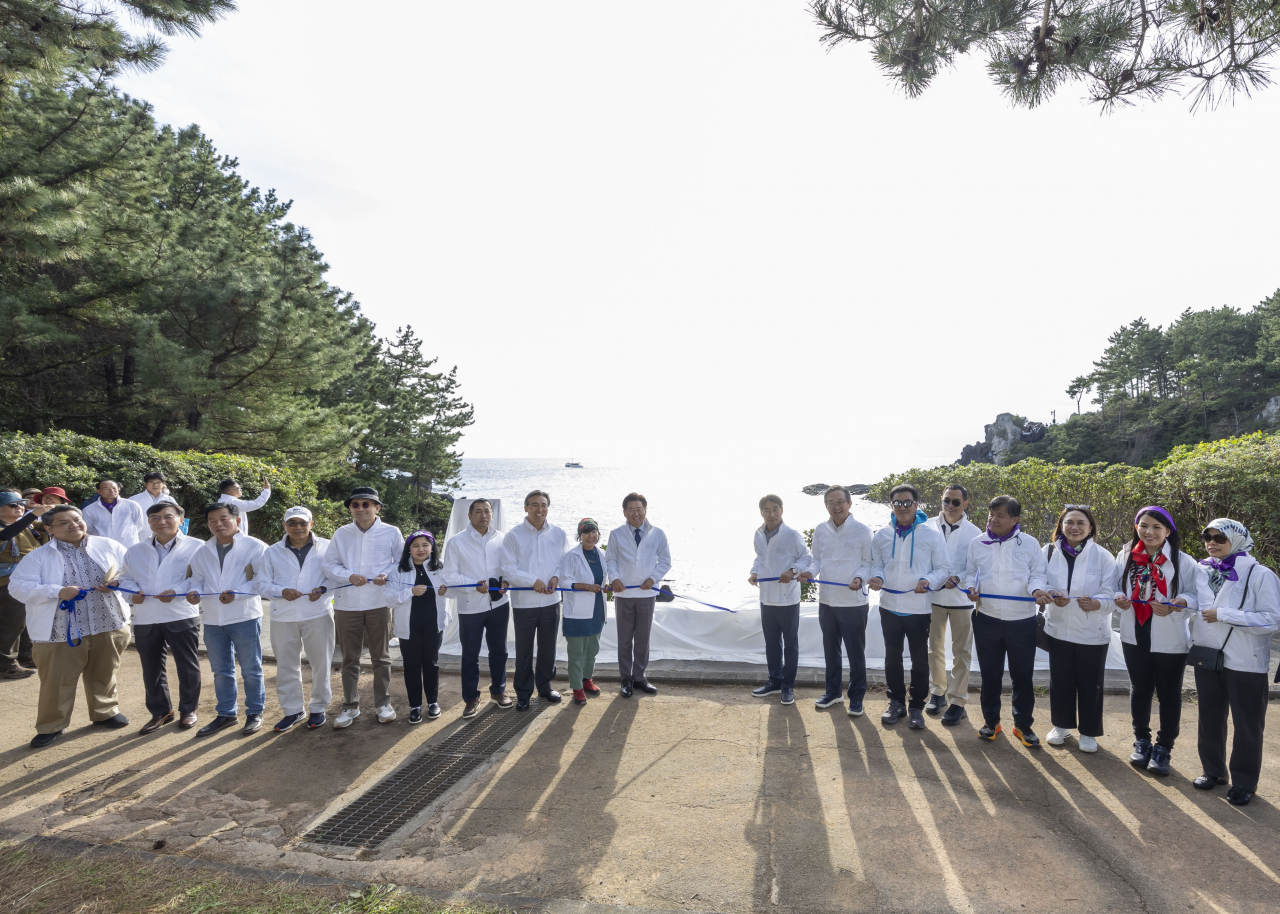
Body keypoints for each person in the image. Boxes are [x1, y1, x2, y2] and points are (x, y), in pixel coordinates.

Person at [8, 505, 132, 749]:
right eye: (64, 522)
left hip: (107, 621)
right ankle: (51, 725)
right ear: (49, 529)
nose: (73, 525)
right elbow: (17, 587)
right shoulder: (38, 556)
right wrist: (57, 592)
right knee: (57, 680)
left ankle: (104, 711)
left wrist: (118, 582)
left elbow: (130, 571)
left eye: (77, 519)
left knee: (105, 672)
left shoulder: (107, 544)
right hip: (61, 629)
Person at [1113, 506, 1209, 776]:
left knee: (1169, 694)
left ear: (1168, 531)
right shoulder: (1126, 556)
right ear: (1137, 528)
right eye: (1144, 526)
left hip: (1169, 635)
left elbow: (1196, 594)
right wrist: (1118, 598)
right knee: (1140, 689)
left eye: (1157, 527)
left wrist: (1180, 603)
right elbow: (1111, 585)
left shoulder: (1183, 561)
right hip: (1135, 633)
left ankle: (1164, 746)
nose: (1149, 532)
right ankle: (1141, 740)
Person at [1190, 519, 1280, 806]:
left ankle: (1244, 782)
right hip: (1208, 654)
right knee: (1210, 717)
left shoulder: (1259, 574)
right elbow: (1193, 603)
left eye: (1219, 537)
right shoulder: (1201, 569)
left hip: (1245, 660)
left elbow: (1272, 619)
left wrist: (1226, 614)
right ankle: (1213, 771)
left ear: (1238, 539)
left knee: (1247, 724)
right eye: (1207, 536)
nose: (1212, 542)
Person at [963, 495, 1051, 747]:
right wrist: (970, 587)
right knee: (990, 674)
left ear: (1015, 519)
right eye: (991, 514)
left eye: (1000, 515)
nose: (993, 519)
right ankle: (991, 722)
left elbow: (1038, 575)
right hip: (986, 619)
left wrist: (1037, 592)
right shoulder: (977, 542)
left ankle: (1023, 725)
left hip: (1022, 621)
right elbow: (970, 573)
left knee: (1022, 675)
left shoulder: (1030, 543)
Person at [868, 484, 952, 728]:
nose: (902, 507)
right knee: (892, 658)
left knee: (919, 660)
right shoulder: (882, 535)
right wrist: (878, 578)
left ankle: (916, 706)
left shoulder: (931, 534)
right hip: (889, 606)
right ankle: (895, 703)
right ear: (891, 506)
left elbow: (943, 569)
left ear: (917, 505)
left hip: (919, 608)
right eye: (897, 503)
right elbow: (876, 565)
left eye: (907, 503)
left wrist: (929, 580)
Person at [321, 487, 403, 728]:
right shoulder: (341, 533)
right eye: (355, 505)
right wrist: (349, 576)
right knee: (349, 658)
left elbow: (399, 562)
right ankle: (350, 706)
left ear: (377, 508)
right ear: (350, 509)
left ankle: (383, 703)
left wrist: (385, 574)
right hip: (346, 605)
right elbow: (329, 565)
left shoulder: (391, 532)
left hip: (379, 602)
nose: (360, 509)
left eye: (366, 504)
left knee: (381, 657)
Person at [118, 502, 204, 733]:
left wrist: (177, 592)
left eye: (168, 517)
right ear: (149, 522)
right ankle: (160, 711)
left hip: (180, 613)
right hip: (146, 615)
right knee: (151, 667)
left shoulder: (198, 546)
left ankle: (188, 709)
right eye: (155, 518)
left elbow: (200, 578)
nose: (161, 522)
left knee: (187, 664)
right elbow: (125, 578)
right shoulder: (136, 550)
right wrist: (131, 594)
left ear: (180, 518)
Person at [185, 502, 268, 736]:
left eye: (223, 518)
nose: (218, 524)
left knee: (251, 668)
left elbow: (262, 579)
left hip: (244, 617)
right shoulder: (202, 551)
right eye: (212, 520)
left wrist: (237, 593)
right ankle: (226, 713)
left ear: (237, 521)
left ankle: (254, 712)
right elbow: (196, 579)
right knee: (221, 670)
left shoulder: (255, 547)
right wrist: (195, 593)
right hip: (212, 619)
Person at [1040, 506, 1117, 754]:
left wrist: (1097, 603)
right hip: (1059, 628)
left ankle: (1088, 732)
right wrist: (1051, 594)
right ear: (1061, 525)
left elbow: (1111, 592)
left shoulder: (1103, 556)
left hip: (1092, 631)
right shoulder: (1049, 551)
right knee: (1060, 680)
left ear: (1090, 527)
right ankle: (1061, 726)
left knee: (1090, 683)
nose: (1075, 527)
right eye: (1069, 522)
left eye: (1081, 523)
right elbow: (1039, 581)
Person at [254, 506, 335, 732]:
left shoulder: (327, 547)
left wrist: (324, 588)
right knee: (287, 665)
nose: (298, 527)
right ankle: (293, 710)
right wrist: (282, 591)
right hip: (283, 616)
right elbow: (261, 584)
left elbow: (336, 577)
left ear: (312, 524)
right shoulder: (271, 552)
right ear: (284, 525)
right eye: (292, 523)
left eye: (302, 523)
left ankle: (318, 707)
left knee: (321, 663)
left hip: (317, 613)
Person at [802, 485, 872, 715]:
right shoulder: (821, 530)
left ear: (850, 503)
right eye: (831, 502)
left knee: (855, 652)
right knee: (830, 650)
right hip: (827, 602)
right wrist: (810, 573)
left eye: (840, 501)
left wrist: (860, 578)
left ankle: (857, 698)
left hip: (853, 602)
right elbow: (816, 559)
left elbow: (868, 563)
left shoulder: (862, 531)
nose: (836, 506)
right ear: (826, 506)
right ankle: (832, 692)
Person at [441, 498, 512, 717]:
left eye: (487, 511)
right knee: (470, 654)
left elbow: (510, 568)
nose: (483, 515)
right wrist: (473, 586)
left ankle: (498, 691)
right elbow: (449, 575)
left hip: (499, 603)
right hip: (470, 606)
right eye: (478, 511)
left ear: (492, 514)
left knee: (499, 650)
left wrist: (507, 583)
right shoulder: (456, 542)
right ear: (469, 516)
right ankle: (471, 698)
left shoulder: (503, 539)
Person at [501, 490, 567, 711]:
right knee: (524, 650)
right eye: (535, 505)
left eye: (544, 505)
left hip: (551, 602)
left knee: (548, 648)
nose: (540, 509)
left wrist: (557, 576)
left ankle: (545, 687)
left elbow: (564, 562)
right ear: (525, 507)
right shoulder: (513, 535)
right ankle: (523, 693)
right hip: (524, 603)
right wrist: (533, 581)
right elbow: (508, 569)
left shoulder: (558, 533)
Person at [924, 484, 982, 725]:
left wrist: (957, 578)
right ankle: (938, 691)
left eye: (956, 502)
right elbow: (921, 560)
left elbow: (976, 569)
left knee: (962, 652)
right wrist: (937, 578)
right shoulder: (926, 526)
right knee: (934, 647)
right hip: (933, 598)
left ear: (965, 504)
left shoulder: (975, 533)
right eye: (946, 500)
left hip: (961, 600)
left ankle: (957, 699)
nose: (950, 506)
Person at [748, 494, 813, 706]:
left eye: (775, 509)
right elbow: (760, 558)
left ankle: (787, 686)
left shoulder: (792, 535)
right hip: (766, 598)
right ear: (761, 512)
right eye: (766, 510)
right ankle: (774, 681)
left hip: (787, 600)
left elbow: (806, 558)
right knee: (771, 644)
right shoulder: (758, 534)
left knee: (790, 645)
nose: (771, 514)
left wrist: (792, 570)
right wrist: (754, 573)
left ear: (782, 510)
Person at [606, 493, 672, 698]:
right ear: (624, 512)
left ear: (645, 509)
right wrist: (615, 578)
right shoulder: (616, 534)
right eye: (631, 510)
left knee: (642, 638)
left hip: (646, 594)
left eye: (639, 509)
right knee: (625, 638)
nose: (635, 513)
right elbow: (610, 560)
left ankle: (640, 677)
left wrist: (653, 578)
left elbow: (665, 561)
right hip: (624, 595)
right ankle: (625, 679)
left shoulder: (657, 534)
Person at [388, 531, 449, 723]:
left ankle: (433, 702)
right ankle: (414, 705)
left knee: (431, 664)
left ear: (432, 547)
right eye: (415, 546)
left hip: (434, 624)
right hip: (409, 626)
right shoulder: (398, 570)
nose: (421, 549)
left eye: (425, 545)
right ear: (408, 549)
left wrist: (446, 590)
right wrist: (410, 592)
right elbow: (388, 598)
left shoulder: (441, 568)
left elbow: (456, 592)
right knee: (411, 666)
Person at [1, 490, 51, 678]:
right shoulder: (12, 526)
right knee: (11, 624)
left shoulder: (25, 525)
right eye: (13, 505)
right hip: (7, 581)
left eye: (21, 504)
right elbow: (6, 535)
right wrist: (32, 514)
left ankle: (24, 656)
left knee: (23, 622)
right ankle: (7, 664)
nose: (20, 507)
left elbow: (49, 524)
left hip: (26, 579)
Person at [560, 519, 609, 705]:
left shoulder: (602, 554)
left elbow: (603, 577)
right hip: (577, 613)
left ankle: (587, 679)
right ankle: (577, 687)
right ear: (579, 536)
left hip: (596, 609)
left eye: (594, 532)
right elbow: (564, 582)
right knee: (576, 652)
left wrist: (605, 585)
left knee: (592, 649)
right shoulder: (572, 556)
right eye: (586, 532)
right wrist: (586, 587)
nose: (591, 536)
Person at [81, 479, 147, 548]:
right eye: (106, 489)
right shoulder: (89, 510)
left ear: (118, 489)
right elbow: (89, 530)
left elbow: (138, 524)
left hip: (128, 545)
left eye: (114, 488)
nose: (111, 491)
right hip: (103, 547)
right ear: (98, 491)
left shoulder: (132, 505)